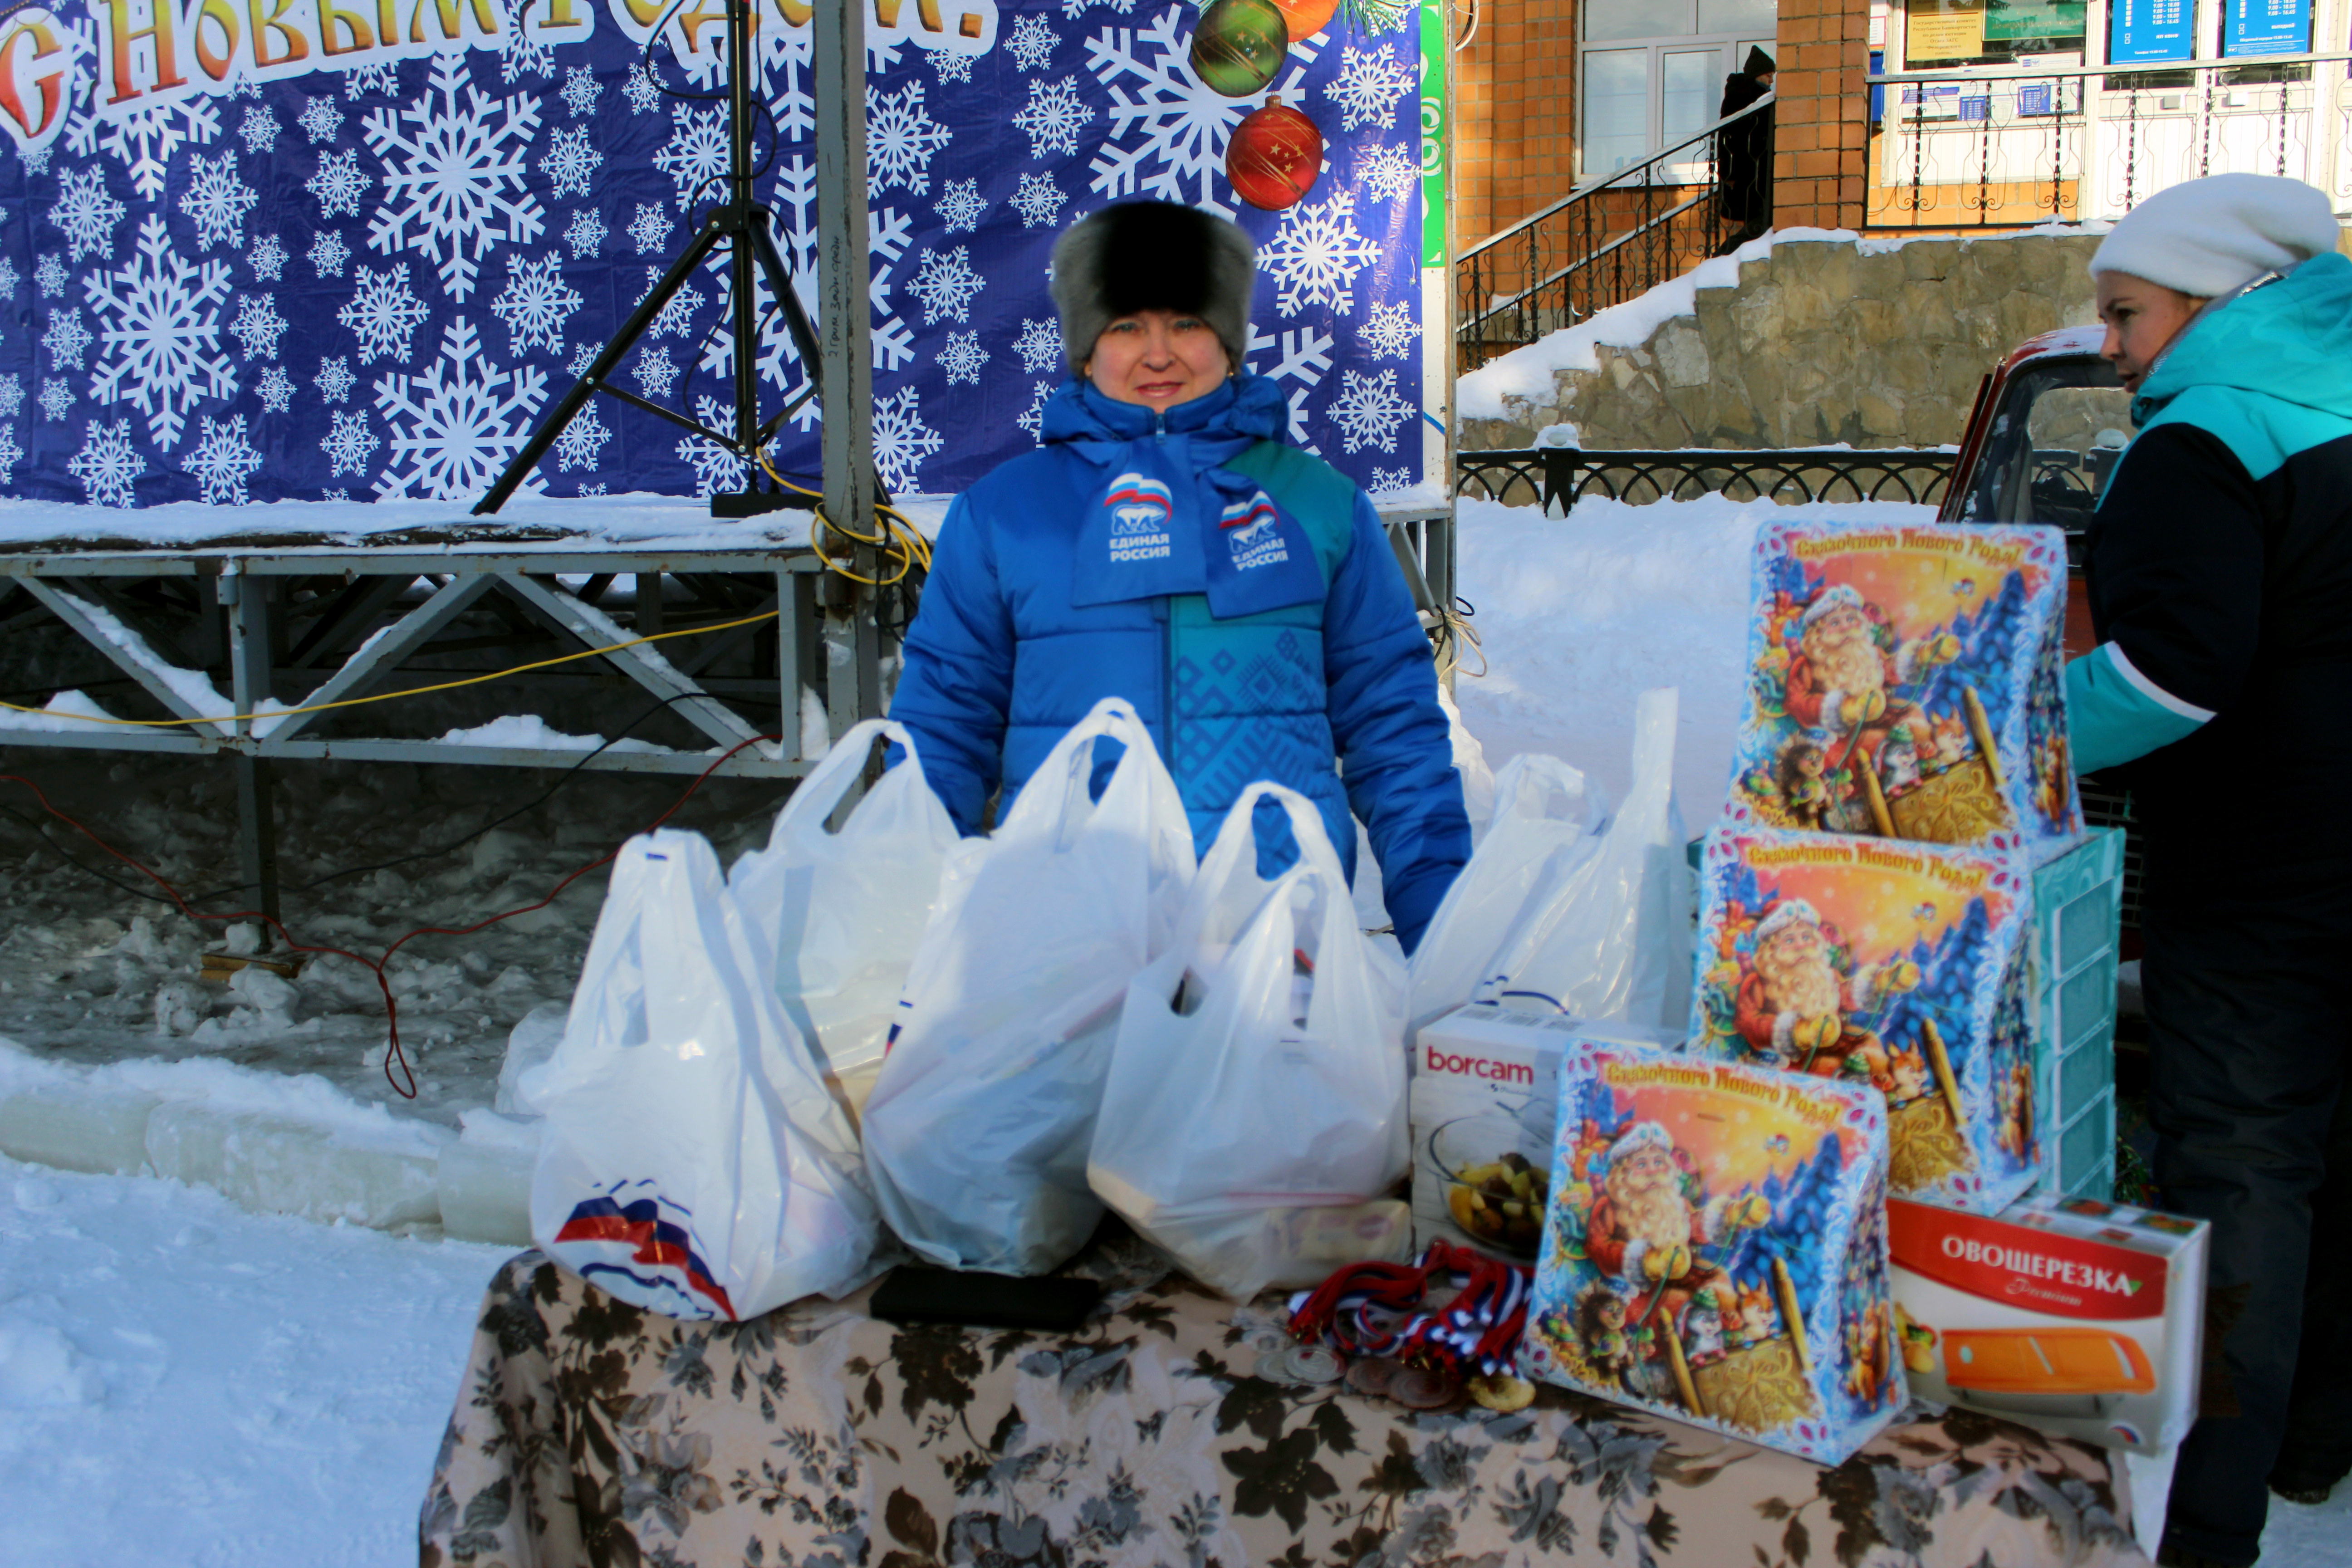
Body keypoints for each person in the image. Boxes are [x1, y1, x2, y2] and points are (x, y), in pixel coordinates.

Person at [887, 201, 1471, 952]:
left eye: (1187, 324)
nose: (1157, 353)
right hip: (1067, 941)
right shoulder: (1004, 514)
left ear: (1228, 343)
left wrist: (1445, 934)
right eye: (1125, 326)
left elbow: (1394, 735)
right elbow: (941, 732)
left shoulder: (1321, 507)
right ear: (1084, 350)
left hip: (1274, 937)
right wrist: (906, 932)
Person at [2064, 172, 2352, 1568]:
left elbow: (2170, 679)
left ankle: (2207, 1525)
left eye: (2126, 315)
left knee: (2244, 1168)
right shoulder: (2338, 408)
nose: (2111, 346)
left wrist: (2002, 720)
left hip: (2258, 876)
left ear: (2221, 299)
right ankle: (2313, 1443)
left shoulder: (2203, 438)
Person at [1713, 46, 1775, 257]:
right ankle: (1724, 254)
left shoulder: (1758, 97)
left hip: (1755, 173)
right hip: (1748, 174)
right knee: (1760, 222)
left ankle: (1731, 255)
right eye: (1769, 75)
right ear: (1758, 73)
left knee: (1761, 223)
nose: (1772, 80)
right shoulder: (1744, 96)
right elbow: (1728, 137)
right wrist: (1730, 174)